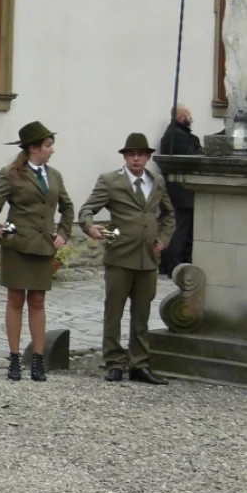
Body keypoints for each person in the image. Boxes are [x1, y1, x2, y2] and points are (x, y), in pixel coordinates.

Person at [78, 133, 175, 385]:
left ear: (147, 157)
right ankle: (114, 362)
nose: (135, 158)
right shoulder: (111, 181)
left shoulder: (156, 182)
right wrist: (90, 227)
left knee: (141, 314)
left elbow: (169, 215)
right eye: (131, 154)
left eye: (140, 154)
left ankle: (139, 364)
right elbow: (87, 209)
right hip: (120, 256)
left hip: (147, 258)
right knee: (114, 312)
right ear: (124, 156)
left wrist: (163, 239)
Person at [0, 121, 74, 382]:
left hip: (44, 246)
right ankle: (13, 359)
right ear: (34, 148)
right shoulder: (12, 173)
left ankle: (37, 359)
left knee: (37, 301)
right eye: (48, 145)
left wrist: (64, 233)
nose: (52, 150)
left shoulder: (54, 175)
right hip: (18, 245)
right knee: (15, 300)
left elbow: (68, 207)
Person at [158, 104, 202, 276]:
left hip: (181, 191)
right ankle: (173, 266)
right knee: (179, 230)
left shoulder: (178, 134)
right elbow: (191, 160)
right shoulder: (176, 135)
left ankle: (180, 263)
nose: (191, 117)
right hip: (181, 191)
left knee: (184, 229)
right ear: (181, 117)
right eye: (188, 114)